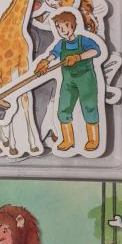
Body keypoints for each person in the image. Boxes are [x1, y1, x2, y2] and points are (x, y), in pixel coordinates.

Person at [34, 11, 102, 152]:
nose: (62, 30)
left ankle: (93, 140)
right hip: (69, 82)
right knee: (63, 109)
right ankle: (68, 140)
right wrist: (45, 62)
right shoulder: (61, 44)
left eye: (65, 25)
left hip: (86, 81)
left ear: (73, 25)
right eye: (59, 27)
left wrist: (78, 57)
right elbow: (53, 54)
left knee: (89, 108)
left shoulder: (83, 41)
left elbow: (96, 51)